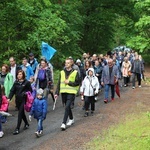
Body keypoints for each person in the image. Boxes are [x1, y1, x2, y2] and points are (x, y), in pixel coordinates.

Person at [54, 58, 80, 130]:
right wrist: (56, 93)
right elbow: (59, 83)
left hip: (71, 92)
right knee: (67, 106)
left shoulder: (75, 72)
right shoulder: (62, 72)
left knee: (67, 106)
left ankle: (63, 123)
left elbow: (77, 82)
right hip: (63, 92)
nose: (66, 64)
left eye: (68, 63)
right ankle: (71, 119)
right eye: (66, 63)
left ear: (71, 63)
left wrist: (69, 82)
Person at [8, 70, 32, 135]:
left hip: (24, 100)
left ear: (23, 75)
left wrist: (25, 93)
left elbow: (30, 91)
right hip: (17, 100)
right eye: (18, 74)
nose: (19, 75)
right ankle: (26, 123)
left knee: (20, 113)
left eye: (20, 74)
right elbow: (12, 91)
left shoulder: (27, 82)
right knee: (22, 113)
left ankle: (17, 128)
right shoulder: (16, 82)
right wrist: (9, 98)